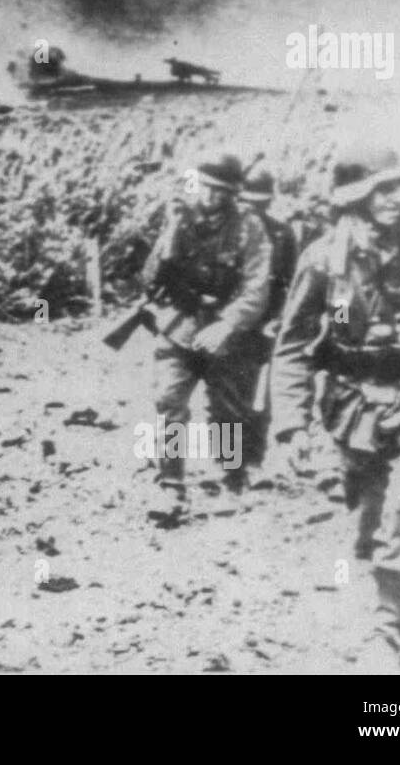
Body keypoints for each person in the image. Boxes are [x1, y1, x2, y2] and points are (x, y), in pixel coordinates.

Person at [269, 143, 400, 669]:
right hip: (352, 407)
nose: (393, 198)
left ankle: (386, 633)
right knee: (369, 528)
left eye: (397, 187)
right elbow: (292, 345)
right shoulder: (323, 260)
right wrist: (292, 426)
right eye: (381, 189)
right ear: (355, 198)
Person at [140, 150, 272, 521]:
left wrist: (228, 324)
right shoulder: (179, 219)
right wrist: (169, 233)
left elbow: (256, 288)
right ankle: (170, 488)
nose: (211, 197)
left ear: (233, 193)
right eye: (205, 188)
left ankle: (230, 481)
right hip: (179, 326)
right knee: (168, 403)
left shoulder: (250, 227)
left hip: (226, 334)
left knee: (227, 412)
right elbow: (149, 279)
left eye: (220, 191)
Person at [239, 168, 298, 438]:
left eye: (260, 205)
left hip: (268, 322)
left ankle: (252, 461)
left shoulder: (283, 234)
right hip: (234, 321)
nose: (255, 211)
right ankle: (231, 466)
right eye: (249, 204)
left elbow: (292, 283)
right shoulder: (230, 231)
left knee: (266, 394)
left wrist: (279, 319)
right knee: (231, 396)